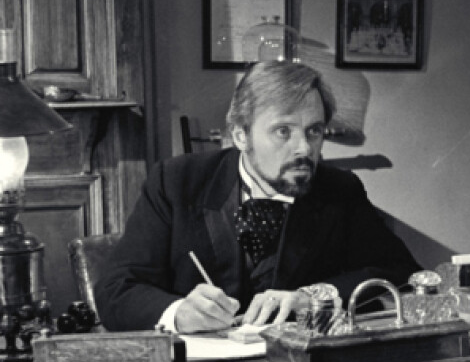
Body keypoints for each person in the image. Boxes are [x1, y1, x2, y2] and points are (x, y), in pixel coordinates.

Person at [95, 60, 420, 333]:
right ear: (240, 135)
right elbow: (115, 290)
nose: (304, 149)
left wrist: (314, 296)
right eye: (283, 131)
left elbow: (403, 273)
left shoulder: (340, 189)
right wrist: (179, 312)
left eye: (314, 131)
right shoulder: (178, 182)